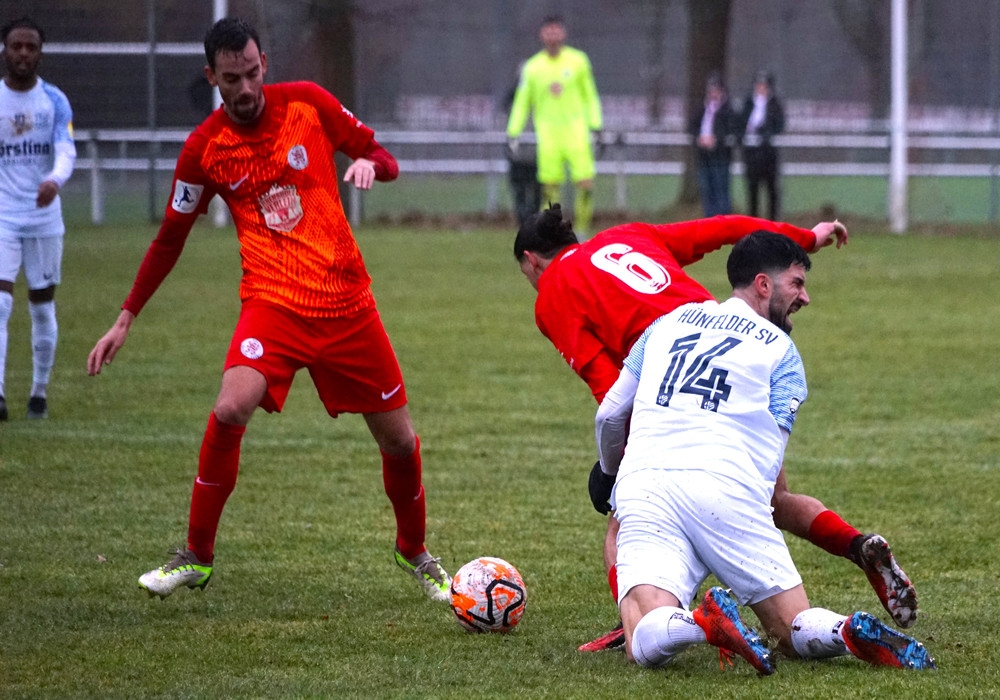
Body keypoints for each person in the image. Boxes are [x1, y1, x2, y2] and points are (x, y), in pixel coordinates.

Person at [86, 17, 450, 603]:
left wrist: (370, 165)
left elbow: (382, 155)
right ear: (212, 77)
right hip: (273, 302)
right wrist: (126, 316)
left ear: (265, 65)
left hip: (346, 302)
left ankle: (415, 551)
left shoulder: (308, 104)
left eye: (253, 72)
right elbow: (170, 238)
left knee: (400, 443)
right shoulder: (205, 149)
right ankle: (196, 556)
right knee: (231, 406)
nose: (246, 87)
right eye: (232, 78)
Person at [514, 205, 917, 651]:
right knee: (775, 498)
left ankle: (639, 619)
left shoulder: (551, 294)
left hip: (669, 369)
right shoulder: (627, 235)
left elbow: (607, 389)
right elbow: (727, 228)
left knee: (621, 522)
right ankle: (858, 545)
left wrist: (615, 467)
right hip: (732, 348)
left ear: (532, 261)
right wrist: (804, 237)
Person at [594, 232, 935, 673]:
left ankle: (701, 623)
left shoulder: (665, 324)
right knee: (791, 628)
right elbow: (769, 456)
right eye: (797, 283)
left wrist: (610, 472)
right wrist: (738, 524)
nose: (805, 298)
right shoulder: (782, 352)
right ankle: (845, 631)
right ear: (762, 284)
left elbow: (610, 415)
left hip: (646, 484)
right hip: (726, 487)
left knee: (644, 632)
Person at [0, 16, 76, 421]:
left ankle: (38, 393)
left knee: (42, 306)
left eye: (31, 47)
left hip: (44, 218)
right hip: (3, 216)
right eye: (17, 46)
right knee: (0, 302)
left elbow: (66, 148)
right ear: (5, 51)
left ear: (40, 53)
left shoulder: (54, 101)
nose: (23, 53)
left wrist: (54, 180)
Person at [506, 15, 602, 237]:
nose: (552, 35)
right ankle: (551, 236)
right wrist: (513, 132)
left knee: (585, 184)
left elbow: (590, 96)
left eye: (556, 30)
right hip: (549, 135)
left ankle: (581, 231)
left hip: (576, 133)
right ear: (542, 35)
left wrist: (596, 125)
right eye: (548, 31)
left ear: (563, 33)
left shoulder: (578, 61)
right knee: (550, 188)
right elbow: (522, 102)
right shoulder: (533, 67)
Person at [688, 73, 736, 217]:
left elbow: (731, 129)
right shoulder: (702, 108)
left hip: (720, 156)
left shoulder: (727, 110)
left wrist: (715, 139)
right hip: (704, 156)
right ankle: (709, 221)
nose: (713, 93)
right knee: (706, 190)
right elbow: (691, 126)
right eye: (711, 90)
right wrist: (699, 138)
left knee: (721, 190)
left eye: (716, 90)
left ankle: (724, 221)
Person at [740, 70, 785, 220]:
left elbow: (779, 125)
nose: (760, 89)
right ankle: (753, 221)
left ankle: (773, 221)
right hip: (751, 154)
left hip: (768, 155)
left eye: (764, 86)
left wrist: (765, 133)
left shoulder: (775, 104)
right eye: (758, 85)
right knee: (752, 189)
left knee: (771, 189)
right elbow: (740, 123)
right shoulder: (748, 103)